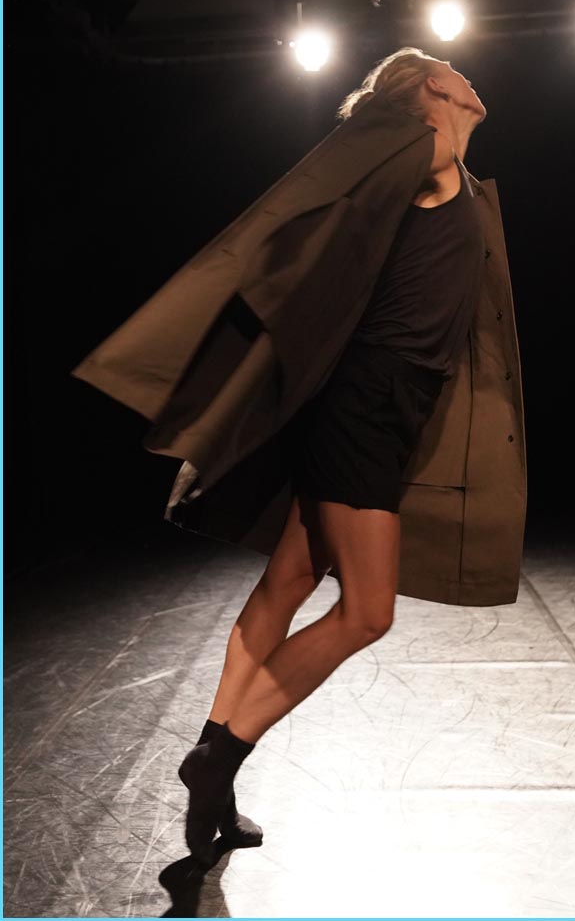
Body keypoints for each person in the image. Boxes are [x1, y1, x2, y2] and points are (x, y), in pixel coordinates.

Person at [177, 48, 490, 867]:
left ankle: (215, 773)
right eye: (452, 68)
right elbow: (327, 203)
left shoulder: (459, 172)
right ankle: (221, 756)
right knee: (367, 612)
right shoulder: (425, 150)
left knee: (288, 581)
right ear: (433, 88)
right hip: (369, 398)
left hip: (384, 399)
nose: (469, 75)